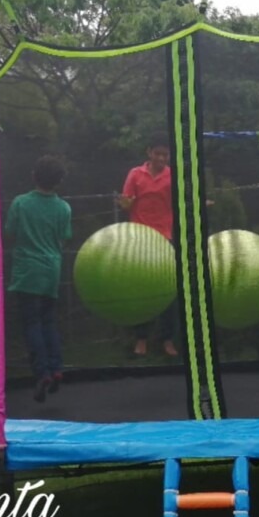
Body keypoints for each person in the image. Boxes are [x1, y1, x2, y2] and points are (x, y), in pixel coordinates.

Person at [6, 155, 73, 403]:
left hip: (27, 272)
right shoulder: (64, 208)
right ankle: (56, 367)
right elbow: (64, 237)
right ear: (59, 181)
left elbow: (10, 232)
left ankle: (42, 373)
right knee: (49, 322)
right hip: (51, 271)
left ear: (34, 175)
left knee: (32, 323)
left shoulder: (21, 203)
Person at [118, 135, 178, 357]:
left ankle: (167, 340)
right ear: (149, 153)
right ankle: (141, 339)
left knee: (169, 291)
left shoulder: (173, 176)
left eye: (165, 155)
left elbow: (181, 201)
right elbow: (127, 203)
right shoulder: (135, 174)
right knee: (140, 290)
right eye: (158, 154)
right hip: (140, 239)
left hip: (164, 238)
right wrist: (125, 203)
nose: (161, 158)